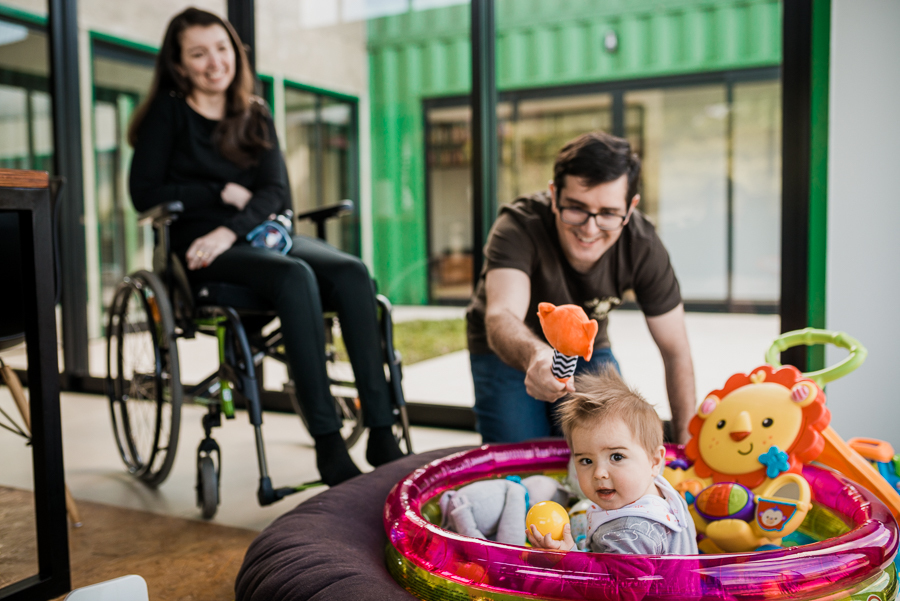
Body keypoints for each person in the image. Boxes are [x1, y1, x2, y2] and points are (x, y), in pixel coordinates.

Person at [128, 7, 404, 486]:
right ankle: (328, 442)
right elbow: (145, 194)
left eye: (222, 48)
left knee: (351, 272)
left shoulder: (253, 113)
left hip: (257, 236)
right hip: (201, 251)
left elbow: (276, 193)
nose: (215, 62)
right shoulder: (166, 115)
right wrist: (217, 194)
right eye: (198, 53)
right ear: (179, 64)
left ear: (235, 51)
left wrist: (233, 225)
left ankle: (382, 429)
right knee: (294, 276)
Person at [466, 131, 696, 444]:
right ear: (554, 195)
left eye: (608, 214)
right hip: (509, 349)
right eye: (576, 207)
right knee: (520, 458)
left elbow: (676, 350)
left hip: (587, 345)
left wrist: (685, 449)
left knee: (612, 440)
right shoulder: (518, 226)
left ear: (630, 208)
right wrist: (536, 355)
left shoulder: (642, 245)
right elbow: (501, 315)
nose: (589, 229)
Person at [527, 368, 697, 554]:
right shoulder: (664, 494)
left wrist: (569, 556)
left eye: (616, 457)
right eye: (586, 460)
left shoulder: (630, 535)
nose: (599, 472)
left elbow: (610, 583)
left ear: (655, 462)